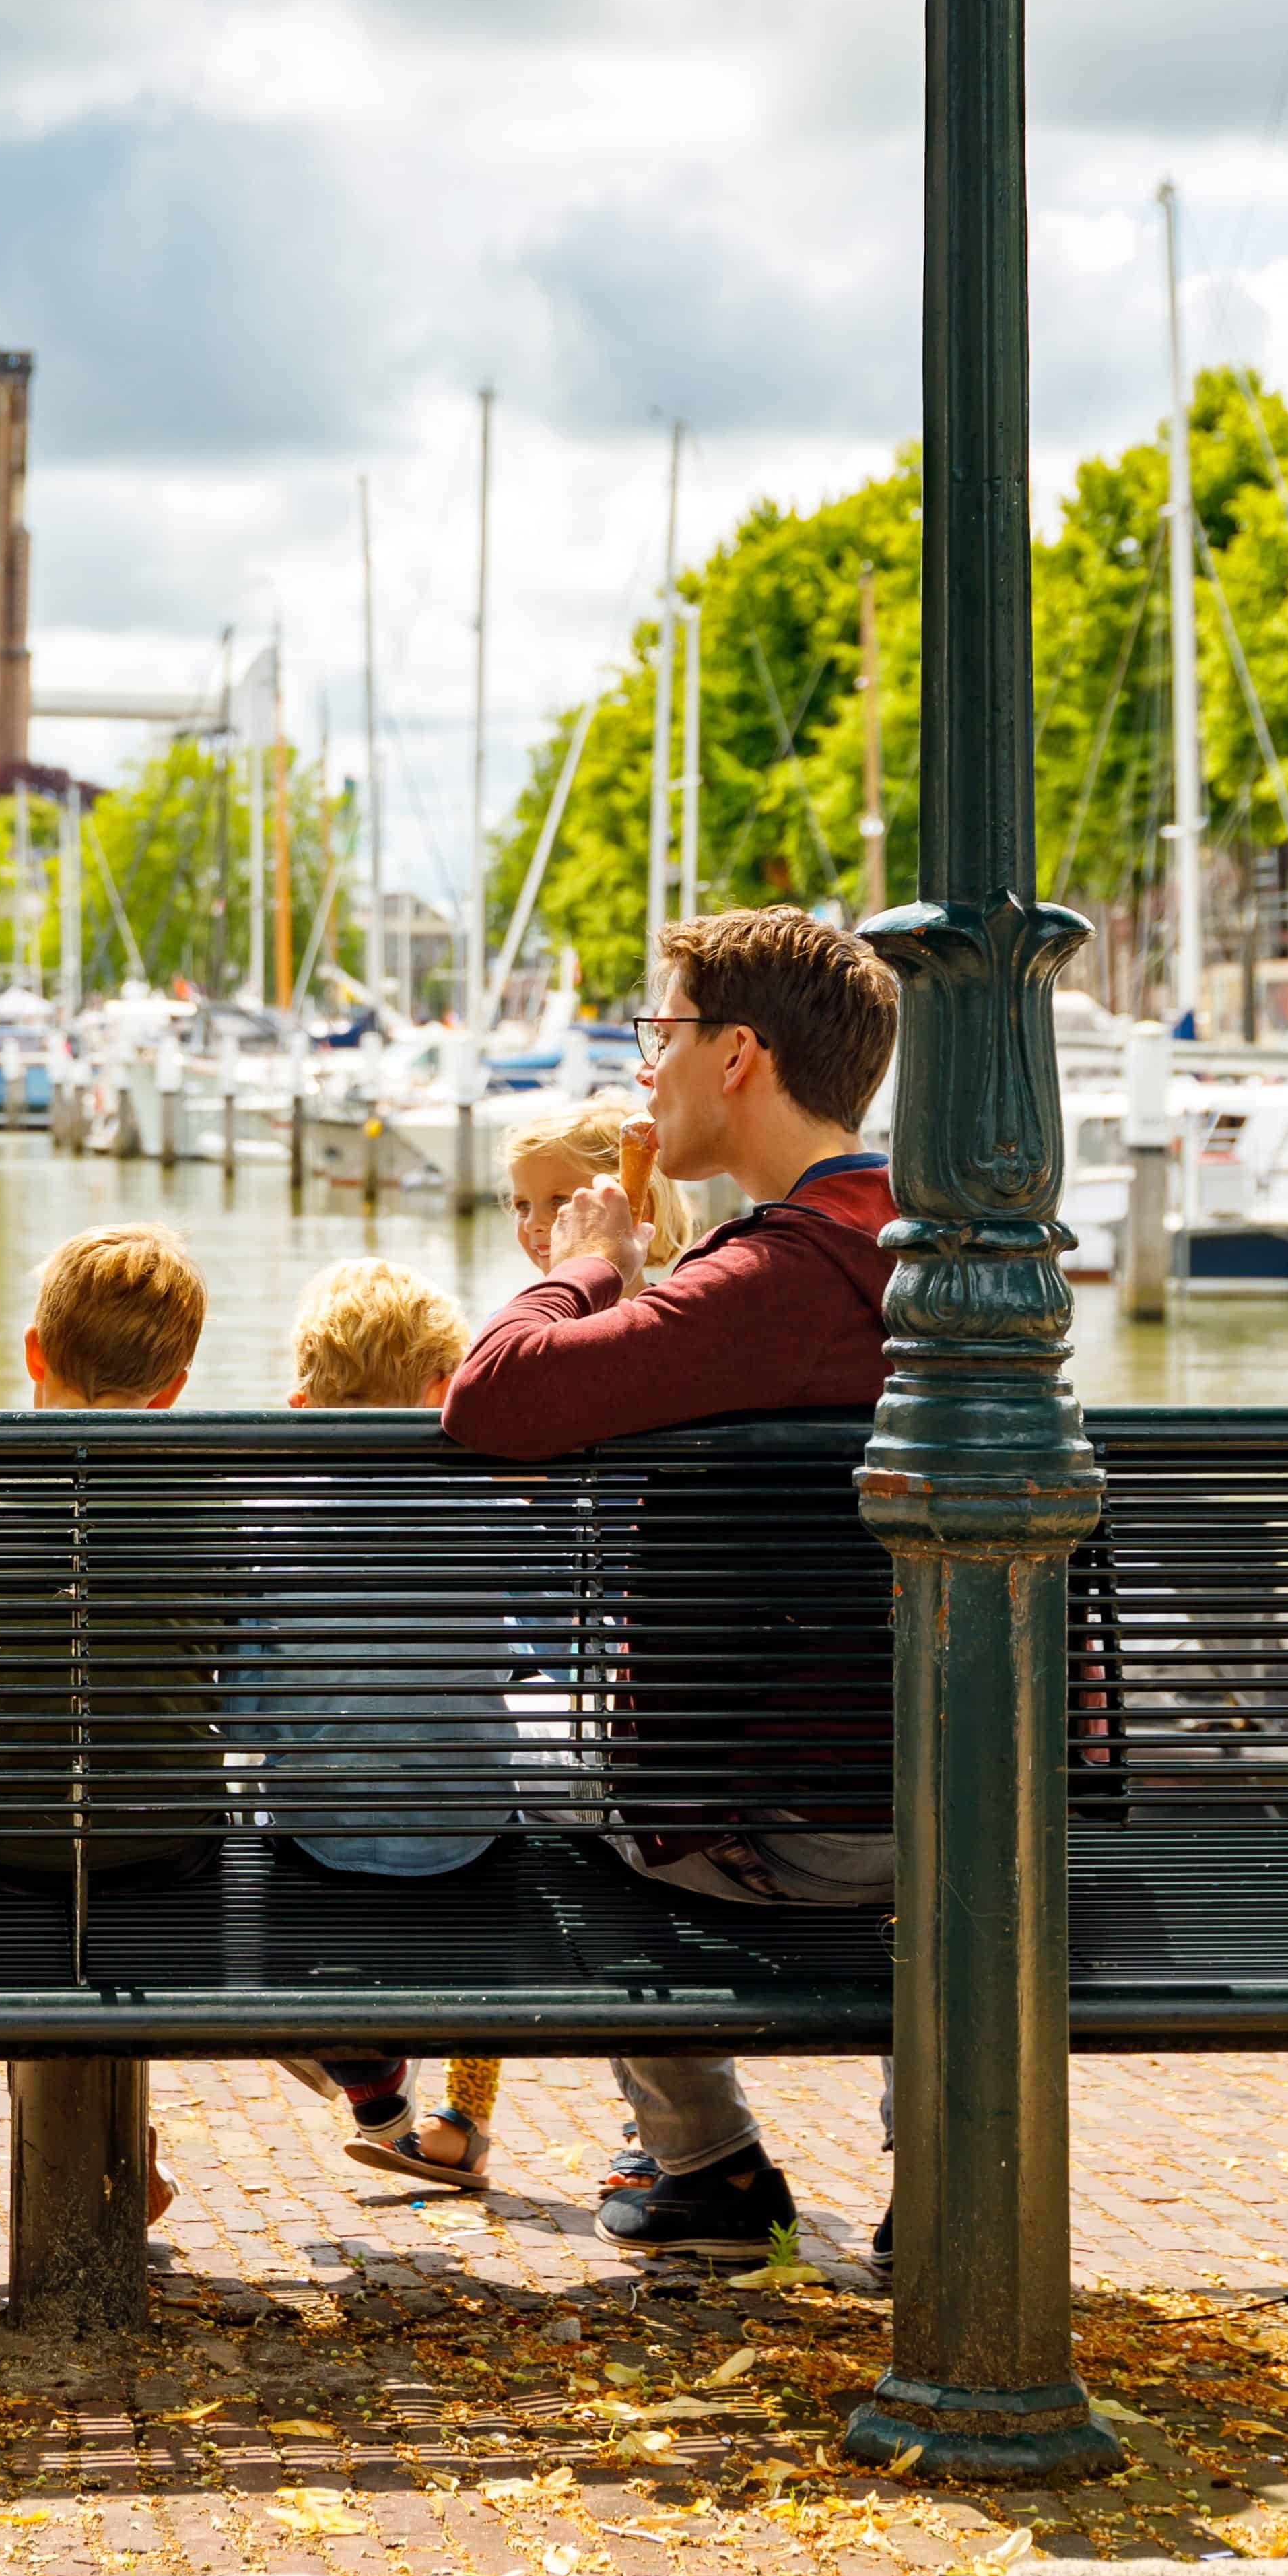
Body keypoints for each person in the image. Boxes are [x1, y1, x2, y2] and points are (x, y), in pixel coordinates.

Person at [442, 905, 900, 2269]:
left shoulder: (773, 1277)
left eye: (661, 1034)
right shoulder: (936, 1247)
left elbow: (490, 1400)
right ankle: (941, 2175)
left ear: (738, 1056)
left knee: (514, 1757)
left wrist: (583, 1271)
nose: (645, 1069)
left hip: (807, 1827)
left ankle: (699, 2161)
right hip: (980, 1801)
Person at [0, 1224, 212, 2234]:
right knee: (119, 1835)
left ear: (35, 1353)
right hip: (167, 1854)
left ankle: (116, 2162)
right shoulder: (206, 1496)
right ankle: (130, 2156)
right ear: (175, 1385)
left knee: (35, 1837)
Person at [244, 1258, 528, 2192]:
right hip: (469, 1847)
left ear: (300, 1404)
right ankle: (435, 2111)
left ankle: (371, 2083)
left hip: (318, 1852)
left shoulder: (271, 1520)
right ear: (444, 1390)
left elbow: (241, 1713)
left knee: (265, 1841)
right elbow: (547, 1658)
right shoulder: (492, 1506)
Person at [507, 1100, 691, 1280]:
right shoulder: (517, 1311)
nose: (531, 1224)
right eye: (523, 1206)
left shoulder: (670, 1310)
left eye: (559, 1201)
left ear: (636, 1209)